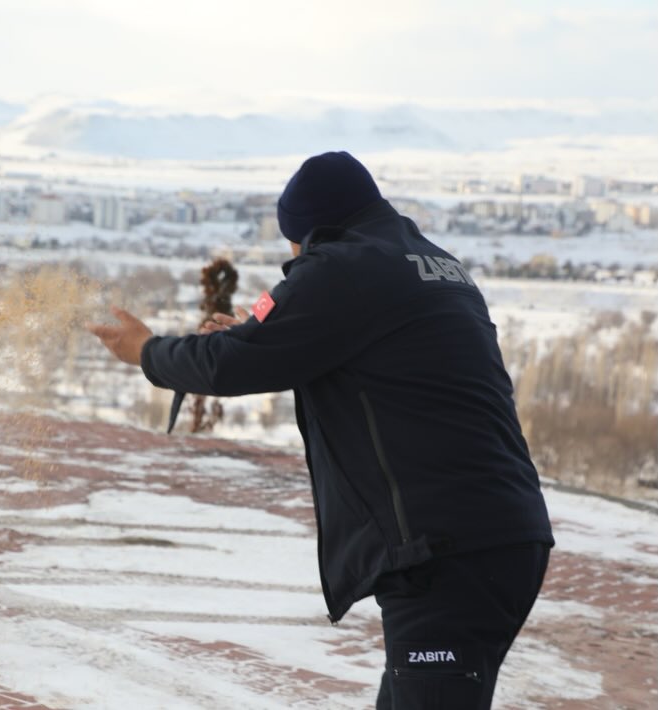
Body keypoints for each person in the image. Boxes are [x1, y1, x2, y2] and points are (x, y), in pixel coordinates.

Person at [87, 151, 554, 709]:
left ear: (306, 232)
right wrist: (265, 337)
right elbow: (370, 365)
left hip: (445, 551)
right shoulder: (429, 262)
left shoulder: (340, 266)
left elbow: (230, 364)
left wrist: (146, 351)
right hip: (496, 533)